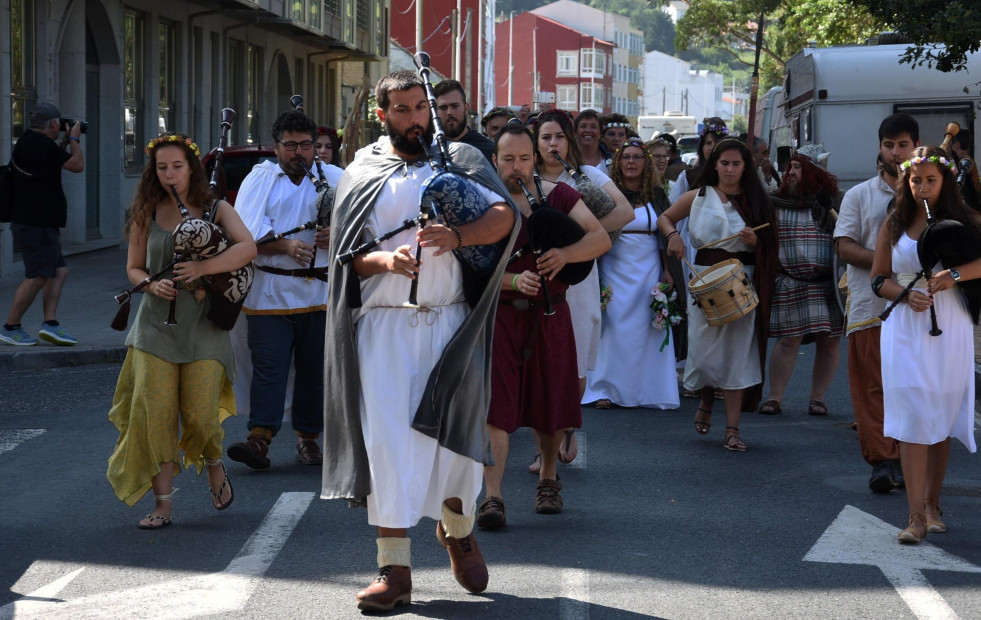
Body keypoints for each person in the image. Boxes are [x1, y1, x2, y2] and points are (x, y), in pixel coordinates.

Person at [322, 70, 517, 612]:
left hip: (450, 322)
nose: (414, 118)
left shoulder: (458, 160)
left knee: (453, 443)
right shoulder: (361, 172)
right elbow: (346, 258)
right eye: (401, 110)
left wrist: (459, 236)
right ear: (381, 115)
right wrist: (385, 260)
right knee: (388, 445)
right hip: (383, 329)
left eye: (419, 107)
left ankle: (457, 530)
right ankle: (394, 570)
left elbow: (505, 216)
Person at [106, 133, 257, 529]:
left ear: (192, 168)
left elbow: (248, 248)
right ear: (153, 172)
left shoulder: (215, 208)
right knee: (155, 419)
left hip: (205, 327)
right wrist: (150, 285)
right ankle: (163, 505)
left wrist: (203, 268)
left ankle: (212, 462)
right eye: (162, 168)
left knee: (200, 417)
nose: (170, 174)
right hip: (155, 329)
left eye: (177, 166)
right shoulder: (145, 211)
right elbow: (134, 268)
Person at [477, 121, 610, 529]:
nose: (515, 166)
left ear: (535, 158)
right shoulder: (481, 202)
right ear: (494, 160)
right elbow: (467, 270)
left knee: (550, 401)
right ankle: (493, 497)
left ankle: (549, 480)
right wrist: (512, 280)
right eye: (507, 159)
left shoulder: (558, 195)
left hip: (551, 312)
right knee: (496, 409)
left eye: (523, 157)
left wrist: (565, 255)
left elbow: (600, 237)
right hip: (500, 316)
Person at [870, 146, 979, 543]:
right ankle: (915, 517)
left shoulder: (965, 219)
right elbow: (878, 279)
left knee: (942, 412)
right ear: (906, 182)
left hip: (950, 323)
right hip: (905, 325)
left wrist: (953, 274)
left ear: (945, 180)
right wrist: (904, 293)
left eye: (931, 180)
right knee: (915, 412)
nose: (922, 187)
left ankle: (934, 504)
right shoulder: (894, 224)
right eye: (915, 180)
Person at [226, 110, 341, 470]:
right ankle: (259, 438)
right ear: (276, 147)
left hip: (320, 293)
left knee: (314, 370)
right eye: (290, 145)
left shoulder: (336, 178)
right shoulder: (261, 178)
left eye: (306, 145)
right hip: (270, 291)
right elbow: (245, 228)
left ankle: (308, 440)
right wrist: (286, 246)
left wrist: (335, 234)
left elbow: (364, 228)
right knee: (269, 367)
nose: (299, 153)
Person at [657, 138, 778, 451]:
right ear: (715, 165)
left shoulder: (756, 200)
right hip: (706, 279)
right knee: (707, 351)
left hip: (742, 281)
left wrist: (755, 242)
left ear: (745, 166)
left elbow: (772, 242)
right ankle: (707, 399)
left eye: (736, 164)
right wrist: (673, 237)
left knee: (739, 353)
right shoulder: (699, 195)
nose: (730, 169)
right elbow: (665, 217)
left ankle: (732, 428)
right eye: (724, 163)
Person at [534, 110, 633, 464]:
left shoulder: (587, 176)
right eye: (545, 138)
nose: (552, 144)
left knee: (574, 360)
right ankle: (544, 448)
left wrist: (579, 239)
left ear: (569, 140)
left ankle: (567, 427)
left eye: (559, 137)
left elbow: (625, 213)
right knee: (540, 361)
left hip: (577, 278)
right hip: (537, 278)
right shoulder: (524, 178)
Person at [835, 113, 920, 492]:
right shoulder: (859, 195)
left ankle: (908, 459)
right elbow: (844, 246)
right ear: (879, 149)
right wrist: (887, 261)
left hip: (920, 308)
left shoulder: (933, 193)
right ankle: (882, 462)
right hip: (871, 310)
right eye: (889, 145)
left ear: (916, 146)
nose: (896, 153)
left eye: (903, 145)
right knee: (872, 388)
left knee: (911, 387)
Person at [583, 138, 680, 409]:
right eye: (626, 157)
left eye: (637, 157)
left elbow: (662, 237)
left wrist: (666, 271)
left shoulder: (657, 195)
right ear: (618, 163)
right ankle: (602, 389)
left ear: (645, 163)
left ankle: (647, 389)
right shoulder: (606, 195)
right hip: (612, 267)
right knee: (611, 329)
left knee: (645, 330)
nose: (631, 162)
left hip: (648, 271)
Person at [760, 150, 843, 416]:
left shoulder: (833, 203)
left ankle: (817, 398)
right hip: (791, 281)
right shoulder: (777, 202)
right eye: (790, 167)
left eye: (798, 168)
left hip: (827, 283)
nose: (791, 173)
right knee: (788, 341)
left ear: (814, 174)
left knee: (829, 341)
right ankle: (774, 397)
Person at [0, 102, 84, 347]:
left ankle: (51, 324)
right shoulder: (40, 145)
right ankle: (10, 327)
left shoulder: (30, 141)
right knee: (37, 276)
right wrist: (75, 139)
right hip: (35, 223)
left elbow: (46, 162)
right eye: (61, 124)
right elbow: (78, 166)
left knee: (58, 271)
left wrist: (64, 144)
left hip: (39, 222)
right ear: (54, 123)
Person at [434, 79, 496, 163]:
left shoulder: (489, 150)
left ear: (466, 108)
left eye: (455, 106)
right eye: (443, 108)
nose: (449, 112)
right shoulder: (429, 151)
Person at [948, 130, 980, 211]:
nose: (949, 145)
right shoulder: (970, 161)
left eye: (950, 142)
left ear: (957, 144)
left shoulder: (961, 162)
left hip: (966, 207)